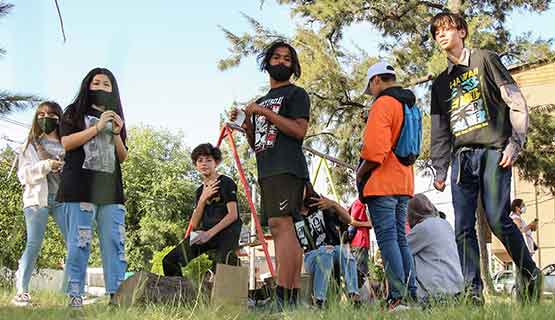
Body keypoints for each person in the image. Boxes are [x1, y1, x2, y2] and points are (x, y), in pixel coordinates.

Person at [429, 12, 542, 304]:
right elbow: (440, 130)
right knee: (462, 226)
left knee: (496, 218)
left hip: (493, 151)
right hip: (461, 159)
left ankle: (529, 272)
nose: (441, 35)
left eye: (446, 29)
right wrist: (440, 168)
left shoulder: (485, 59)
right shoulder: (440, 83)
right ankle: (472, 293)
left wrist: (515, 144)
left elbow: (515, 101)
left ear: (462, 32)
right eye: (436, 32)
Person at [229, 40, 310, 308]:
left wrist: (263, 111)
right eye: (276, 57)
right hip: (268, 169)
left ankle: (285, 296)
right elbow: (258, 144)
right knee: (279, 229)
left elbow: (299, 131)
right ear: (267, 63)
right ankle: (289, 299)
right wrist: (247, 123)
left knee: (283, 227)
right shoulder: (262, 100)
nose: (281, 62)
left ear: (293, 66)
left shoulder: (296, 94)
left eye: (287, 59)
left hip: (287, 168)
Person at [57, 68, 128, 308]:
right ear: (87, 86)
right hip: (79, 188)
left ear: (113, 89)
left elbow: (123, 156)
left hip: (111, 192)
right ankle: (75, 296)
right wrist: (97, 128)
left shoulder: (117, 117)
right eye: (95, 82)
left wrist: (116, 132)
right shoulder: (73, 113)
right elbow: (66, 143)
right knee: (79, 242)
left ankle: (116, 297)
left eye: (106, 84)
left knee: (115, 243)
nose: (100, 87)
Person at [356, 61, 417, 311]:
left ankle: (397, 297)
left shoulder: (383, 104)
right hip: (404, 182)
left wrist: (360, 174)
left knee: (389, 239)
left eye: (370, 88)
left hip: (382, 184)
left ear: (376, 81)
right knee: (401, 240)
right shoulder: (411, 105)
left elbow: (374, 151)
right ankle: (410, 294)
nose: (371, 94)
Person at [12, 102, 67, 306]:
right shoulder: (30, 144)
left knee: (75, 244)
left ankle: (70, 291)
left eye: (51, 115)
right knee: (34, 244)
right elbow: (23, 175)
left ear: (59, 119)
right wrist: (46, 165)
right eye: (41, 114)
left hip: (62, 200)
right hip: (37, 200)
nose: (46, 118)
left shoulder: (66, 144)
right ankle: (22, 291)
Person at [163, 143, 241, 275]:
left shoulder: (226, 183)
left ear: (216, 163)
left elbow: (233, 215)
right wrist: (203, 199)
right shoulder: (199, 191)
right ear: (196, 165)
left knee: (223, 266)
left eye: (208, 160)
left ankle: (233, 276)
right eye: (200, 160)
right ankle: (180, 293)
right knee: (169, 260)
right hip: (204, 232)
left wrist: (209, 234)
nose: (204, 163)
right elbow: (194, 224)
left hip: (226, 231)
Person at [294, 182, 359, 308]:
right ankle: (320, 300)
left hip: (334, 250)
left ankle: (353, 295)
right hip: (311, 256)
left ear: (307, 189)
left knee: (344, 251)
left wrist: (334, 204)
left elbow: (349, 220)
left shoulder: (320, 205)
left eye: (301, 188)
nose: (298, 192)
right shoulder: (292, 216)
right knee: (325, 252)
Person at [407, 194, 464, 305]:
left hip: (436, 295)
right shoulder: (446, 224)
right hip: (457, 292)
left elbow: (400, 251)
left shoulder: (422, 228)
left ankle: (399, 299)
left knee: (407, 258)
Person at [348, 199, 372, 290]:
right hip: (359, 242)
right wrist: (368, 224)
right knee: (360, 273)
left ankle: (362, 297)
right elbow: (351, 221)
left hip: (363, 243)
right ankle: (359, 299)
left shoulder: (364, 204)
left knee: (363, 272)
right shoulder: (359, 203)